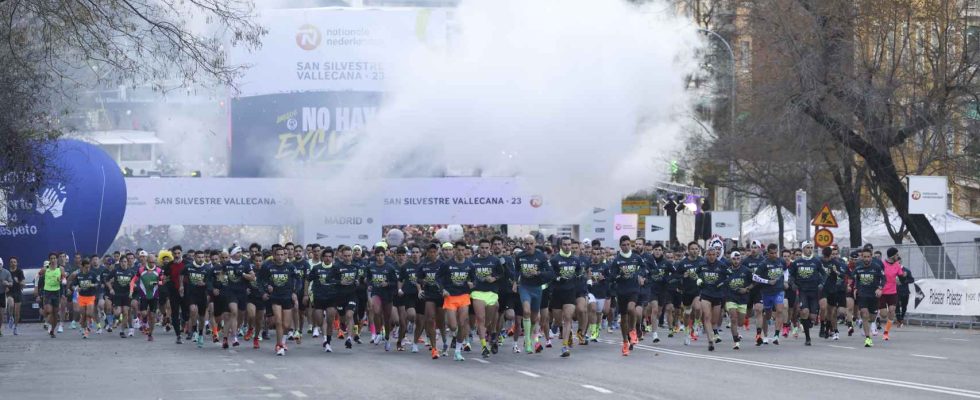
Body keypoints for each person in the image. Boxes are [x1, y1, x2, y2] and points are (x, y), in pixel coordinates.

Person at [514, 235, 553, 354]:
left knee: (534, 318)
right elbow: (517, 270)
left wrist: (538, 273)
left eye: (531, 244)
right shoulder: (520, 256)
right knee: (526, 311)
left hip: (537, 288)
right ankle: (527, 340)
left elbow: (550, 273)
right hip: (524, 287)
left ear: (535, 244)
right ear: (523, 244)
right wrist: (515, 282)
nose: (529, 246)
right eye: (526, 244)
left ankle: (530, 337)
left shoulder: (541, 256)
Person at [608, 235, 646, 356]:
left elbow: (644, 268)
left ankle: (633, 330)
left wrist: (641, 275)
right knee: (623, 318)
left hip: (634, 289)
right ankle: (625, 342)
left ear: (631, 245)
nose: (626, 247)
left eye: (628, 244)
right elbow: (612, 277)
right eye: (623, 245)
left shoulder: (636, 258)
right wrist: (620, 274)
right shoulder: (617, 260)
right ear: (620, 246)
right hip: (621, 291)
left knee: (631, 308)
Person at [438, 241, 475, 361]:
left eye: (462, 250)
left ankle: (458, 351)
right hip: (450, 297)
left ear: (465, 251)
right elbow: (438, 278)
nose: (460, 252)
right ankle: (453, 335)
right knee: (453, 326)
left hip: (464, 296)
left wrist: (472, 284)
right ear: (454, 250)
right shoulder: (447, 264)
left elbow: (475, 280)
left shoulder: (470, 264)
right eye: (458, 250)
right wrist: (443, 290)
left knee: (463, 323)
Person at [548, 236, 584, 358]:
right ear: (560, 246)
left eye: (569, 244)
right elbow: (549, 275)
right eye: (565, 245)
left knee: (568, 318)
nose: (568, 247)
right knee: (559, 321)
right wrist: (557, 278)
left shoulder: (575, 260)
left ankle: (564, 347)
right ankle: (555, 325)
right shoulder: (554, 260)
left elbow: (579, 272)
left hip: (570, 292)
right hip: (557, 293)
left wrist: (579, 277)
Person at [260, 246, 297, 356]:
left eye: (282, 255)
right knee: (278, 322)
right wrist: (266, 290)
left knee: (286, 324)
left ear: (285, 255)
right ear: (274, 256)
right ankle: (279, 345)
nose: (280, 257)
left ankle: (283, 341)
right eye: (278, 255)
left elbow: (298, 280)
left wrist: (294, 292)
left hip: (287, 297)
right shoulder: (268, 266)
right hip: (275, 297)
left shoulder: (290, 267)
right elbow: (261, 280)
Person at [470, 238, 504, 358]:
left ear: (489, 248)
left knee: (488, 321)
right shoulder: (472, 260)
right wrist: (470, 282)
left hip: (491, 293)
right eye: (482, 248)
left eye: (486, 248)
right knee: (480, 318)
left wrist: (494, 278)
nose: (484, 250)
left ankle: (491, 333)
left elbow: (501, 273)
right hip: (477, 292)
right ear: (478, 248)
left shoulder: (495, 260)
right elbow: (467, 274)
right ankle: (484, 346)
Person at [788, 241, 826, 346]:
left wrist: (822, 284)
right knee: (805, 312)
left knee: (812, 317)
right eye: (807, 247)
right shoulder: (797, 262)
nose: (810, 249)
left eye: (811, 247)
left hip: (814, 292)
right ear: (803, 249)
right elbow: (791, 275)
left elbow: (824, 274)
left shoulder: (816, 261)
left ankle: (806, 321)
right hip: (802, 291)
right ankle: (808, 338)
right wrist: (792, 284)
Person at [366, 245, 398, 351]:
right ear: (375, 256)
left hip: (387, 294)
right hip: (376, 293)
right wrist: (370, 284)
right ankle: (378, 333)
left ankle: (387, 339)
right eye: (378, 255)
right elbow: (368, 279)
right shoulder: (371, 267)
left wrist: (387, 283)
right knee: (376, 311)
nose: (380, 257)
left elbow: (395, 283)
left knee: (387, 318)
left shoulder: (390, 268)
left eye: (381, 255)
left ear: (384, 256)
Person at [753, 243, 787, 346]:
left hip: (779, 290)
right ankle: (765, 335)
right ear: (768, 253)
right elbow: (755, 277)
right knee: (767, 315)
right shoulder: (764, 264)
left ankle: (776, 336)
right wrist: (767, 281)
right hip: (766, 292)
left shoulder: (781, 261)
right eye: (772, 253)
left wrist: (785, 281)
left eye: (776, 253)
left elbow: (786, 271)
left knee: (780, 310)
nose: (774, 255)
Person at [696, 246, 728, 351]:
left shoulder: (722, 265)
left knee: (714, 320)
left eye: (713, 255)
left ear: (716, 255)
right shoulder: (702, 265)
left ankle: (714, 333)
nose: (711, 257)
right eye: (709, 255)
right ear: (706, 255)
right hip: (705, 294)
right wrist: (699, 280)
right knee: (707, 317)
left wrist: (722, 284)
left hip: (717, 295)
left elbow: (729, 277)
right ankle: (710, 341)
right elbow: (696, 275)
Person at [180, 250, 214, 348]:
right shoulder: (188, 267)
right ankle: (194, 331)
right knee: (193, 310)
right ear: (195, 257)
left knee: (202, 317)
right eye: (199, 257)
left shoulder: (207, 269)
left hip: (202, 295)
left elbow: (210, 282)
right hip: (191, 294)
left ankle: (200, 334)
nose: (201, 259)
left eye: (202, 257)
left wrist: (204, 284)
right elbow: (181, 274)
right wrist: (181, 286)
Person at [132, 251, 166, 341]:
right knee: (144, 313)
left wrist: (155, 283)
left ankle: (150, 334)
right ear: (147, 261)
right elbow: (135, 279)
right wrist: (133, 284)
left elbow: (162, 282)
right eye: (150, 262)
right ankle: (144, 322)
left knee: (152, 315)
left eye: (153, 262)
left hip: (154, 295)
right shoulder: (141, 269)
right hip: (143, 295)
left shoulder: (158, 270)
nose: (152, 264)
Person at [853, 248, 884, 347]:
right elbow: (856, 279)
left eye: (868, 257)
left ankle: (865, 324)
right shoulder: (858, 268)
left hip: (873, 296)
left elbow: (884, 278)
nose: (866, 259)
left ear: (871, 257)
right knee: (865, 314)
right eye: (864, 257)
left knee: (872, 317)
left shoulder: (877, 267)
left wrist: (880, 288)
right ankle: (868, 339)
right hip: (862, 295)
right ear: (862, 257)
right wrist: (855, 288)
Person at [724, 250, 753, 349]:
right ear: (730, 260)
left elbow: (755, 282)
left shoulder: (747, 270)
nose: (736, 261)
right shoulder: (727, 271)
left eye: (738, 259)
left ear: (741, 259)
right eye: (734, 259)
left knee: (740, 322)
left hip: (743, 299)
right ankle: (736, 341)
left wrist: (747, 289)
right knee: (733, 318)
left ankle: (738, 331)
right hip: (731, 298)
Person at [878, 247, 905, 341]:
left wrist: (902, 277)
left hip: (893, 292)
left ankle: (886, 332)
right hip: (882, 292)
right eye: (896, 255)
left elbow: (902, 279)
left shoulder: (897, 265)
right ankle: (876, 318)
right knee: (884, 314)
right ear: (892, 256)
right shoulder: (882, 264)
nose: (898, 256)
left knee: (892, 310)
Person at [107, 255, 137, 337]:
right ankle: (112, 319)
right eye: (122, 262)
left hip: (127, 295)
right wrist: (111, 289)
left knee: (125, 313)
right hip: (117, 295)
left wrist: (133, 288)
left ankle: (122, 331)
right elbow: (107, 280)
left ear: (127, 262)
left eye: (125, 262)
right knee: (117, 313)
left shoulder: (131, 272)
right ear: (120, 263)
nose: (124, 263)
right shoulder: (115, 271)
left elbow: (134, 283)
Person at [37, 256, 66, 338]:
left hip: (57, 292)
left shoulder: (60, 268)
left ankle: (52, 330)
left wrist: (61, 280)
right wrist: (36, 287)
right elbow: (37, 276)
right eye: (51, 259)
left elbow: (64, 279)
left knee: (55, 314)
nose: (53, 260)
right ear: (49, 260)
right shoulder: (45, 269)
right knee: (48, 310)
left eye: (54, 258)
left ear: (56, 259)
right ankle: (47, 320)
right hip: (47, 292)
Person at [5, 257, 26, 335]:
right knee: (11, 304)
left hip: (17, 292)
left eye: (14, 262)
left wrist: (19, 282)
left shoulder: (19, 271)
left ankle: (15, 327)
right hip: (10, 292)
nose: (13, 263)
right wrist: (6, 286)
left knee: (17, 313)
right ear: (9, 263)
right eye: (11, 262)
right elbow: (3, 281)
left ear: (16, 263)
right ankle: (11, 317)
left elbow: (23, 282)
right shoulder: (7, 272)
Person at [896, 260, 914, 327]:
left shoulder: (906, 270)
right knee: (896, 305)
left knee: (904, 306)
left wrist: (904, 281)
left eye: (898, 262)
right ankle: (899, 320)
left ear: (900, 262)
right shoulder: (893, 270)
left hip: (904, 291)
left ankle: (902, 318)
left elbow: (912, 280)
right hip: (895, 291)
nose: (897, 263)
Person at [0, 258, 11, 337]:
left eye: (0, 264)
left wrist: (7, 284)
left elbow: (11, 283)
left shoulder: (6, 272)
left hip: (2, 294)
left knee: (1, 313)